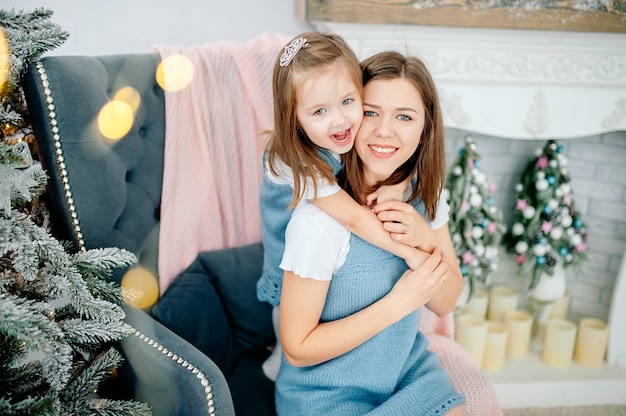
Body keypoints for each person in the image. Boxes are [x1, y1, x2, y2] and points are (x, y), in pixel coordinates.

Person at [275, 50, 467, 415]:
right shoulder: (318, 222)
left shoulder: (427, 194)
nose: (384, 131)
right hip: (327, 392)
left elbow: (445, 301)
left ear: (425, 127)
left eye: (405, 117)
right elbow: (297, 349)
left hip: (402, 369)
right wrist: (400, 302)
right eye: (371, 112)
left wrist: (424, 237)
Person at [256, 33, 428, 380]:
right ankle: (278, 371)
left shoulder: (331, 136)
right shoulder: (291, 159)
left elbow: (383, 163)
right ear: (295, 119)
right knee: (289, 330)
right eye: (319, 110)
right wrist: (412, 253)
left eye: (348, 101)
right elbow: (352, 217)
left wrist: (395, 185)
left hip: (323, 266)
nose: (340, 121)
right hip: (288, 267)